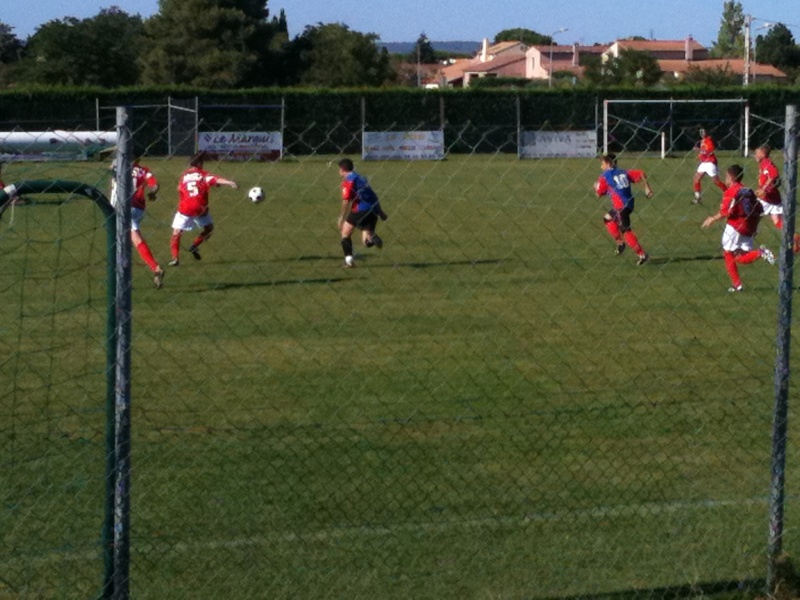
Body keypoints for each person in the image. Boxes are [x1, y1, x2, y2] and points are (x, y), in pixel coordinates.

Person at [701, 164, 775, 293]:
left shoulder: (731, 192)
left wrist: (712, 219)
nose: (725, 179)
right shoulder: (748, 191)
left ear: (730, 177)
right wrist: (755, 226)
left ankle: (737, 284)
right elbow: (759, 209)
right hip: (749, 227)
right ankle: (760, 253)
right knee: (741, 257)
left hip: (735, 226)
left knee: (728, 253)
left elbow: (725, 212)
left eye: (726, 177)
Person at [169, 153, 237, 267]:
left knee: (176, 232)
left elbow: (179, 189)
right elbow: (214, 179)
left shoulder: (184, 175)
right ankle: (194, 246)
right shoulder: (202, 174)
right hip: (200, 208)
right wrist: (229, 182)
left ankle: (175, 258)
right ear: (200, 163)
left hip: (185, 208)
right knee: (209, 228)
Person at [111, 157, 165, 289]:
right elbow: (155, 185)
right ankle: (124, 280)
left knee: (133, 239)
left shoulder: (121, 168)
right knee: (125, 241)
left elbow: (111, 170)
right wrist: (152, 193)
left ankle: (155, 267)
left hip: (123, 207)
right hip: (139, 208)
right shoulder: (144, 170)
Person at [593, 153, 653, 266]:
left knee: (625, 230)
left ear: (608, 163)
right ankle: (620, 243)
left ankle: (642, 255)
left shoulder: (605, 176)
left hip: (620, 207)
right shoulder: (623, 172)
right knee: (607, 219)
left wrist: (596, 186)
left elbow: (598, 194)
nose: (601, 166)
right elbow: (641, 173)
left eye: (602, 163)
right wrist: (647, 188)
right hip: (628, 204)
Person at [337, 158, 387, 268]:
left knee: (345, 233)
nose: (339, 172)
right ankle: (371, 238)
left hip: (360, 209)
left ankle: (349, 261)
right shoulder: (361, 178)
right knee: (366, 242)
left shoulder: (349, 180)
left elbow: (346, 201)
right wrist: (380, 212)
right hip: (372, 210)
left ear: (343, 169)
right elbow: (372, 195)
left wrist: (341, 217)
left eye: (339, 169)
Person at [692, 127, 727, 204]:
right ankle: (698, 198)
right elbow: (702, 152)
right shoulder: (701, 141)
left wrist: (700, 151)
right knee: (696, 179)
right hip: (704, 162)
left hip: (710, 162)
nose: (702, 134)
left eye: (703, 132)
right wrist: (699, 155)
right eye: (701, 132)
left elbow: (710, 151)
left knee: (716, 181)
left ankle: (727, 192)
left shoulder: (709, 140)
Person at [754, 144, 783, 230]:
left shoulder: (766, 162)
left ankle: (747, 239)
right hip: (773, 197)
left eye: (756, 153)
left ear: (763, 154)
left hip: (766, 197)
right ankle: (795, 239)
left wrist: (763, 188)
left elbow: (774, 174)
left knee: (752, 218)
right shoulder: (763, 163)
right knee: (777, 221)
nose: (755, 156)